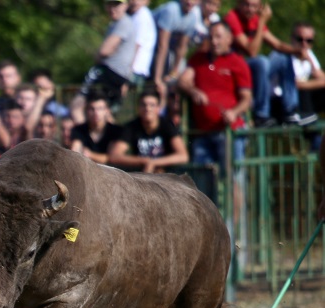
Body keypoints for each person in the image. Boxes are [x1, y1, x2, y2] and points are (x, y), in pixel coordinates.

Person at [178, 20, 252, 203]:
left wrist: (234, 112)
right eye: (211, 37)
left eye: (218, 37)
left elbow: (246, 99)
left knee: (233, 180)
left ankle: (234, 230)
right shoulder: (198, 59)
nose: (214, 41)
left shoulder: (238, 63)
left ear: (229, 38)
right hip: (203, 133)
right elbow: (183, 81)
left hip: (229, 132)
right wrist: (194, 91)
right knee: (200, 183)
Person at [224, 0, 307, 127]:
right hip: (238, 68)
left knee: (283, 57)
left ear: (259, 7)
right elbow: (252, 51)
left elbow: (277, 44)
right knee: (261, 62)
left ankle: (290, 110)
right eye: (247, 5)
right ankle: (261, 115)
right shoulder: (232, 18)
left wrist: (297, 51)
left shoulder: (255, 19)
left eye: (254, 6)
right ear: (239, 4)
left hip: (253, 70)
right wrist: (262, 21)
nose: (250, 9)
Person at [70, 0, 137, 123]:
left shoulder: (123, 23)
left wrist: (98, 55)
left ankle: (85, 138)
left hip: (108, 72)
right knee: (104, 112)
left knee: (77, 106)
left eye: (116, 5)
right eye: (110, 4)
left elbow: (104, 51)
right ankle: (115, 140)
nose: (112, 8)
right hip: (119, 76)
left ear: (125, 6)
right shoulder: (118, 24)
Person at [108, 89, 189, 172]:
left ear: (158, 108)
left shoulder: (167, 125)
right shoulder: (131, 127)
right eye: (144, 105)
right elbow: (115, 156)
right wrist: (144, 161)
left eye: (152, 105)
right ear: (138, 108)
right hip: (141, 176)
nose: (147, 108)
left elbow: (183, 156)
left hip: (166, 175)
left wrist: (154, 163)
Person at [273, 22, 324, 126]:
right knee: (304, 89)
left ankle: (309, 117)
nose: (304, 44)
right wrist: (308, 84)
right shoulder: (282, 55)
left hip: (302, 101)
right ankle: (306, 117)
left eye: (309, 41)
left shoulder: (308, 53)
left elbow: (322, 78)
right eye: (300, 39)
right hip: (280, 102)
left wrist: (309, 60)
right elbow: (293, 84)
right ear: (292, 38)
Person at [151, 0, 201, 105]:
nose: (190, 2)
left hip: (168, 51)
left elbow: (181, 47)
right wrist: (158, 78)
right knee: (158, 83)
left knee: (181, 76)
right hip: (151, 46)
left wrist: (174, 73)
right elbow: (162, 46)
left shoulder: (192, 17)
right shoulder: (171, 10)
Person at [70, 91, 124, 164]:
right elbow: (75, 153)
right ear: (86, 110)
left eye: (100, 108)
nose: (96, 113)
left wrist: (90, 155)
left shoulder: (116, 131)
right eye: (92, 109)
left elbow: (112, 158)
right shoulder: (78, 130)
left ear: (106, 111)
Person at [128, 0, 158, 86]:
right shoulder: (136, 14)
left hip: (134, 69)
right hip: (135, 69)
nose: (136, 2)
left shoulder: (142, 17)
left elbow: (136, 46)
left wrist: (127, 69)